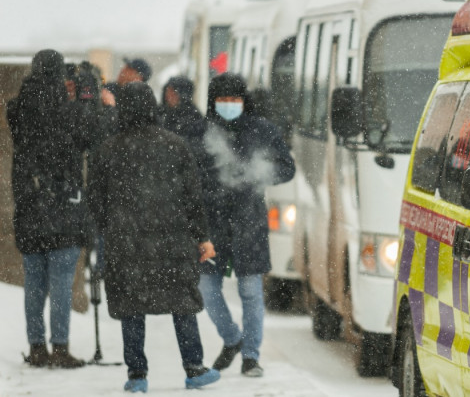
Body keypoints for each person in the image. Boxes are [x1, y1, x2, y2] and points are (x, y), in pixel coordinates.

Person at [88, 82, 220, 392]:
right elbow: (192, 196)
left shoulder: (109, 149)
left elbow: (95, 199)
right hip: (172, 240)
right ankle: (194, 367)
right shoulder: (175, 145)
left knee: (131, 305)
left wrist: (111, 227)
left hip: (126, 242)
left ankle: (137, 376)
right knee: (182, 303)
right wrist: (202, 236)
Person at [199, 72, 295, 377]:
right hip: (213, 225)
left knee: (251, 292)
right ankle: (232, 339)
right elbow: (193, 177)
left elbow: (286, 167)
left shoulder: (262, 130)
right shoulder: (203, 133)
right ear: (213, 102)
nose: (230, 105)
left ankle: (251, 356)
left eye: (235, 99)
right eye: (223, 100)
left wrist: (258, 176)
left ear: (244, 101)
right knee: (206, 289)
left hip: (249, 222)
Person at [6, 49, 87, 368]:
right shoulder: (68, 110)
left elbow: (23, 120)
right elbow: (87, 134)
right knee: (62, 285)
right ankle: (61, 348)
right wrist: (83, 93)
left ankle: (37, 347)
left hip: (29, 207)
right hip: (63, 207)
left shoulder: (18, 106)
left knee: (34, 284)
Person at [161, 75, 205, 161]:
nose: (168, 95)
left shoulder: (194, 118)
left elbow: (195, 148)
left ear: (182, 95)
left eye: (173, 92)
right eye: (167, 90)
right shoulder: (162, 112)